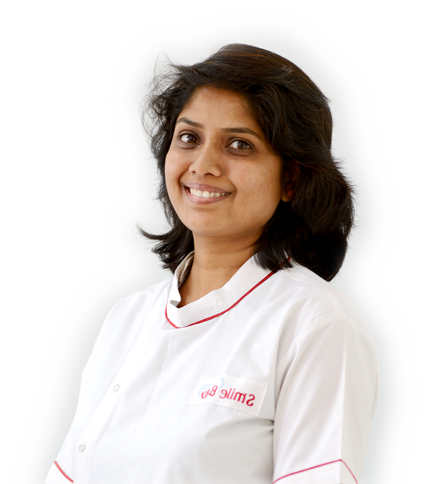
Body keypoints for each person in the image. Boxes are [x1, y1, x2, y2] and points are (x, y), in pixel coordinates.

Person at [46, 43, 379, 484]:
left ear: (291, 179)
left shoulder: (315, 323)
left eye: (239, 144)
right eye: (189, 138)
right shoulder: (126, 319)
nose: (203, 166)